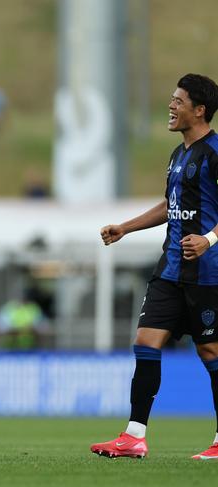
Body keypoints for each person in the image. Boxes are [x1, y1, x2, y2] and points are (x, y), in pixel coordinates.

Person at [90, 74, 218, 460]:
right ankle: (134, 436)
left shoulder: (214, 153)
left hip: (207, 273)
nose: (171, 106)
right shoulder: (178, 156)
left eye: (178, 101)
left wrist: (209, 239)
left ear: (199, 109)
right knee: (146, 342)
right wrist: (125, 228)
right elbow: (170, 206)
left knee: (211, 351)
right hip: (170, 270)